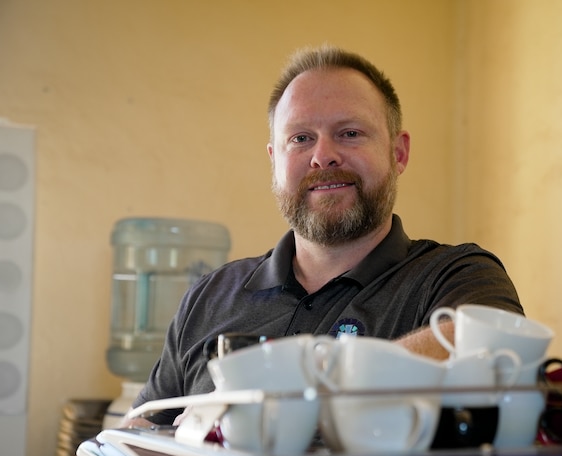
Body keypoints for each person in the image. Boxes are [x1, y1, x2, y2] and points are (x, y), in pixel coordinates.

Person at [126, 44, 523, 427]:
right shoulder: (209, 297)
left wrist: (281, 387)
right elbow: (139, 434)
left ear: (398, 153)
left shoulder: (455, 275)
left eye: (349, 133)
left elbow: (491, 348)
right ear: (275, 161)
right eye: (300, 138)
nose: (323, 156)